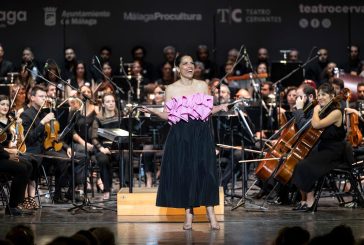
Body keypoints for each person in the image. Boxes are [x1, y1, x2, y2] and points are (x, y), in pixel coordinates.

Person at [141, 54, 228, 230]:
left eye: (192, 63)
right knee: (186, 171)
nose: (189, 66)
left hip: (201, 133)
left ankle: (211, 212)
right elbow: (169, 115)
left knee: (206, 171)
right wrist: (155, 112)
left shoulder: (203, 85)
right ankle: (189, 213)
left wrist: (220, 108)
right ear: (177, 67)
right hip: (181, 134)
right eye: (185, 63)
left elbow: (206, 111)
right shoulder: (171, 89)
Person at [292, 83, 345, 211]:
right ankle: (304, 200)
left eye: (323, 95)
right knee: (297, 163)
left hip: (335, 151)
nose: (320, 97)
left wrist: (315, 110)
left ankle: (311, 200)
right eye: (319, 94)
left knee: (304, 166)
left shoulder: (336, 112)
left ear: (332, 96)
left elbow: (316, 125)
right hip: (323, 148)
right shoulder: (323, 111)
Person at [0, 95, 33, 215]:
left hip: (4, 155)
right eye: (2, 104)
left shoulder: (9, 121)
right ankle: (12, 206)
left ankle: (17, 203)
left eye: (7, 105)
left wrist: (19, 126)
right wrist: (8, 155)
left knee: (28, 165)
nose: (5, 107)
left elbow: (13, 140)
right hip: (2, 157)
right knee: (21, 168)